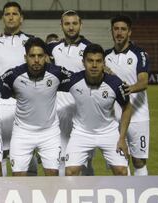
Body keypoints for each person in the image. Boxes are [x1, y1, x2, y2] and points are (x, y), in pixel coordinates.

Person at [1, 37, 72, 176]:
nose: (36, 60)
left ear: (45, 56)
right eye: (32, 56)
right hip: (22, 133)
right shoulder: (13, 74)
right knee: (18, 176)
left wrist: (104, 72)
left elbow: (81, 78)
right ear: (25, 57)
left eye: (40, 56)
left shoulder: (56, 72)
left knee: (52, 175)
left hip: (49, 133)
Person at [63, 44, 131, 176]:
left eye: (98, 61)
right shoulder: (72, 80)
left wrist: (122, 138)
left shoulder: (115, 83)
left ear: (104, 63)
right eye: (90, 61)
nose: (94, 65)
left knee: (122, 172)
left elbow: (127, 108)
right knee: (70, 172)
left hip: (109, 132)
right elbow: (51, 81)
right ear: (83, 62)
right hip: (81, 133)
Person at [0, 1, 37, 176]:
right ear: (2, 18)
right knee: (1, 152)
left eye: (14, 14)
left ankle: (30, 192)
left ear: (21, 18)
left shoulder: (30, 40)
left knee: (28, 150)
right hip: (0, 104)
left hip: (25, 104)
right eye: (7, 14)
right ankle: (4, 192)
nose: (11, 17)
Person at [47, 10, 94, 176]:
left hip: (83, 111)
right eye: (67, 23)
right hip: (59, 112)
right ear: (61, 26)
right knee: (60, 158)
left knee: (85, 160)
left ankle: (87, 197)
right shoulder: (52, 48)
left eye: (74, 23)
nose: (71, 27)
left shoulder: (90, 48)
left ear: (81, 24)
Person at [105, 15, 150, 176]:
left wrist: (128, 89)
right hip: (115, 118)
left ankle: (142, 197)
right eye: (116, 29)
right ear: (111, 31)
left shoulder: (139, 54)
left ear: (129, 32)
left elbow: (143, 82)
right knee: (119, 163)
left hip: (138, 116)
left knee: (139, 161)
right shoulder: (105, 56)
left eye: (123, 29)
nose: (119, 32)